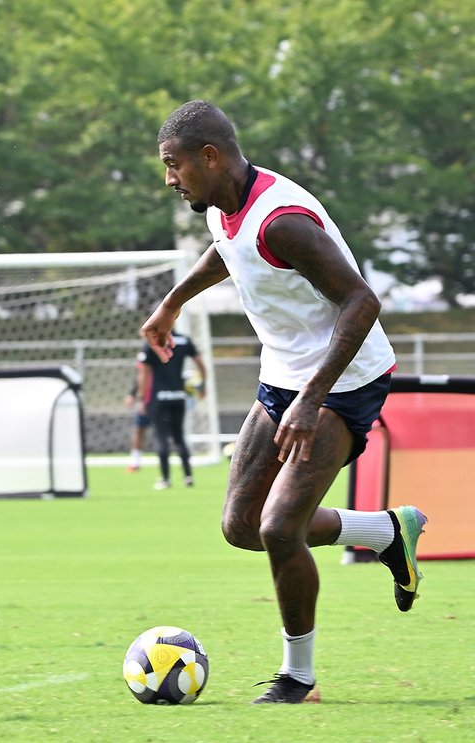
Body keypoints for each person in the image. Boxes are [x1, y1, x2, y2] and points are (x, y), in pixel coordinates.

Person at [141, 100, 426, 704]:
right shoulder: (225, 204)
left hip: (343, 380)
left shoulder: (282, 219)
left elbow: (362, 301)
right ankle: (384, 531)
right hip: (284, 377)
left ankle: (299, 677)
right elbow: (228, 250)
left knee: (277, 527)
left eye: (173, 165)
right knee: (241, 526)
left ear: (210, 156)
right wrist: (173, 302)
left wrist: (310, 399)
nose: (169, 178)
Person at [137, 330, 207, 489]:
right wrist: (202, 385)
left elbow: (144, 371)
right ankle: (188, 476)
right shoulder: (183, 340)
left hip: (159, 397)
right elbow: (200, 362)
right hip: (179, 395)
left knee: (161, 438)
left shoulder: (152, 342)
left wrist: (142, 398)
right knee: (179, 437)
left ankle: (165, 479)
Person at [123, 378, 149, 472]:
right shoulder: (145, 363)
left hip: (163, 398)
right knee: (139, 429)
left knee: (166, 432)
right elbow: (141, 375)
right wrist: (132, 394)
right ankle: (135, 462)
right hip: (148, 400)